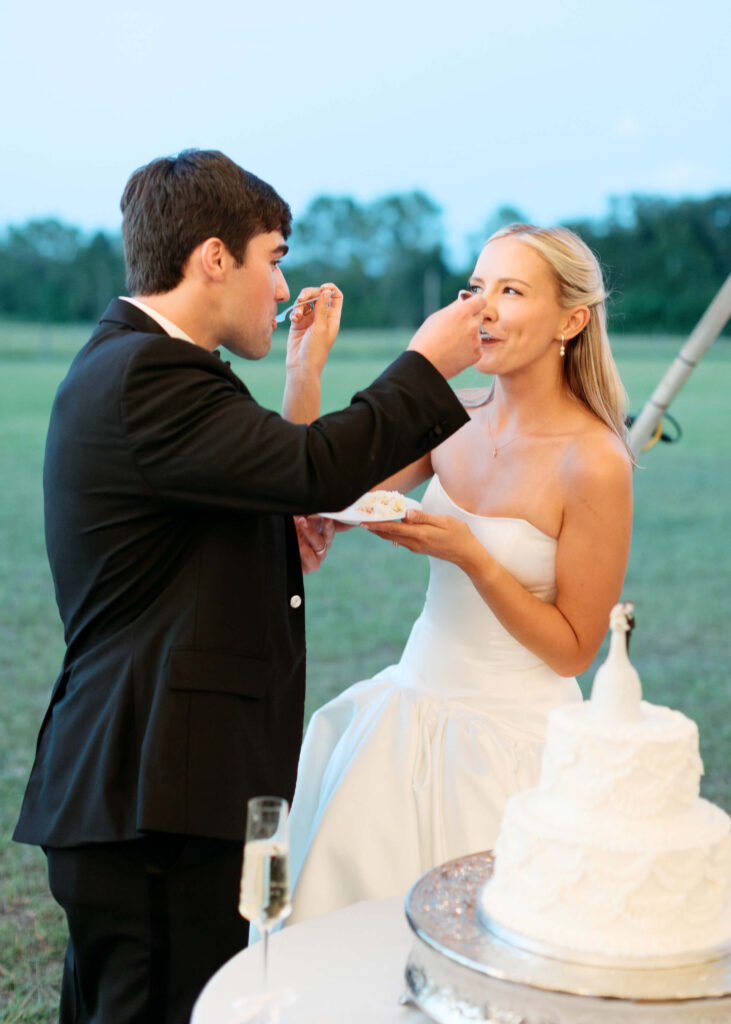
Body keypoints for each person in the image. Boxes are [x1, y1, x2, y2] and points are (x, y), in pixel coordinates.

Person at [12, 148, 487, 1024]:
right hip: (151, 796)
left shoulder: (149, 364)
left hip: (159, 790)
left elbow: (259, 486)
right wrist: (427, 362)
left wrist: (299, 396)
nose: (281, 286)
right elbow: (311, 466)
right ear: (213, 257)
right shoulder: (148, 374)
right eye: (272, 259)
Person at [286, 223, 634, 924]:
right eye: (476, 288)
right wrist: (305, 371)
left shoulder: (595, 460)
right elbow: (322, 489)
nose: (484, 309)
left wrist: (471, 555)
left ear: (570, 321)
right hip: (404, 723)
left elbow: (574, 650)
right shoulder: (454, 413)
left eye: (511, 291)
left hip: (515, 750)